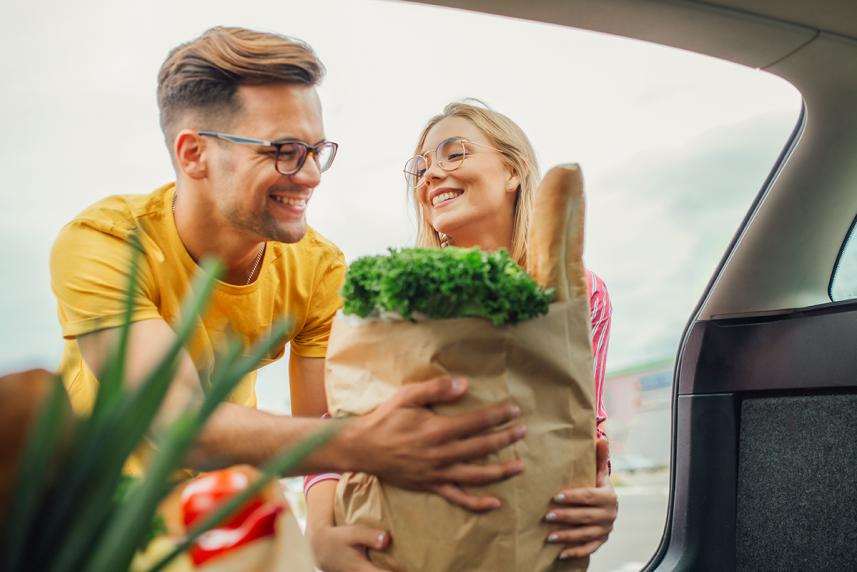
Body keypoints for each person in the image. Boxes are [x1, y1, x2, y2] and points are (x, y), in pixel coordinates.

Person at [49, 28, 527, 503]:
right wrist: (367, 444)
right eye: (284, 152)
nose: (312, 175)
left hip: (229, 509)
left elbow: (322, 429)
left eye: (316, 151)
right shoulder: (106, 240)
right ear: (194, 154)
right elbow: (181, 422)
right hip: (97, 516)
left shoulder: (318, 267)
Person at [306, 102, 617, 570]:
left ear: (512, 171)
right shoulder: (400, 292)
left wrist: (601, 493)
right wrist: (319, 533)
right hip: (407, 540)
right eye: (421, 168)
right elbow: (341, 422)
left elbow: (583, 420)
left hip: (528, 538)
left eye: (454, 153)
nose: (430, 175)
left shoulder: (582, 294)